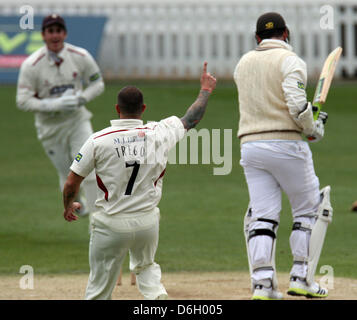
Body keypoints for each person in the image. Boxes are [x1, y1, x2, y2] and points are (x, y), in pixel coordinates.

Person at [62, 62, 216, 300]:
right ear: (143, 108)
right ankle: (157, 297)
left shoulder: (98, 140)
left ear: (117, 109)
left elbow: (72, 182)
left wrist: (68, 205)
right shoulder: (160, 132)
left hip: (110, 223)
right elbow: (192, 118)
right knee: (146, 269)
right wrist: (205, 89)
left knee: (99, 287)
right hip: (147, 222)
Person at [233, 12, 333, 300]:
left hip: (250, 146)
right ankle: (301, 278)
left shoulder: (243, 63)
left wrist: (308, 120)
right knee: (308, 209)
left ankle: (263, 284)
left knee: (263, 215)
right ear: (286, 32)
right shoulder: (291, 61)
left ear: (257, 38)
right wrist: (314, 127)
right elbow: (296, 105)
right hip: (286, 144)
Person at [16, 14, 104, 216]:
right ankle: (77, 204)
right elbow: (22, 100)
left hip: (77, 121)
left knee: (88, 169)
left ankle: (97, 220)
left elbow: (97, 83)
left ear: (64, 33)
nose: (55, 36)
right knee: (68, 175)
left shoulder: (79, 56)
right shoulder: (31, 65)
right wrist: (53, 104)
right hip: (50, 128)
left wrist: (82, 98)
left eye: (58, 31)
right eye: (50, 31)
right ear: (43, 35)